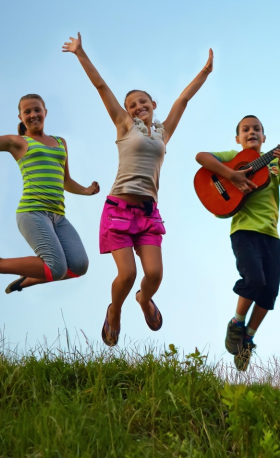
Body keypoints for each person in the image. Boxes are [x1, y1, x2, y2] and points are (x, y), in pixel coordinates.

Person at [63, 32, 213, 346]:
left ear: (152, 105)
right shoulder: (124, 126)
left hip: (147, 213)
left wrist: (204, 72)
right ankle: (114, 310)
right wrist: (80, 53)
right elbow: (101, 87)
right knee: (127, 275)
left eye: (142, 102)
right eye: (132, 104)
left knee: (155, 275)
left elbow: (182, 100)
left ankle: (144, 300)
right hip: (118, 210)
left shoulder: (162, 133)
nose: (137, 107)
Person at [0, 83, 99, 294]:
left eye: (37, 109)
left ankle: (26, 280)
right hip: (32, 212)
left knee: (80, 265)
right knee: (56, 267)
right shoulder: (18, 142)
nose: (33, 114)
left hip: (58, 216)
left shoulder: (60, 142)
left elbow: (65, 180)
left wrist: (85, 190)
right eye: (27, 111)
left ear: (45, 112)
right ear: (20, 117)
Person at [195, 115, 280, 370]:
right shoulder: (231, 154)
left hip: (271, 235)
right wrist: (233, 175)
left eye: (257, 129)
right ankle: (237, 324)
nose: (251, 132)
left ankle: (247, 339)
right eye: (245, 129)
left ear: (264, 138)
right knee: (255, 280)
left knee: (270, 291)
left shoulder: (274, 163)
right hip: (244, 230)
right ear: (238, 138)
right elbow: (201, 157)